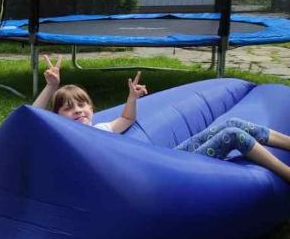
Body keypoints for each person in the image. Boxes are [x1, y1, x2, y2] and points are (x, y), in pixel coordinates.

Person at [34, 54, 290, 183]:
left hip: (167, 160)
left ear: (92, 108)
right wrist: (51, 88)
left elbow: (125, 120)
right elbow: (29, 120)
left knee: (233, 123)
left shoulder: (101, 128)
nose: (78, 110)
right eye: (68, 109)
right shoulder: (64, 140)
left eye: (82, 105)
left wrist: (132, 98)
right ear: (56, 117)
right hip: (164, 177)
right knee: (232, 135)